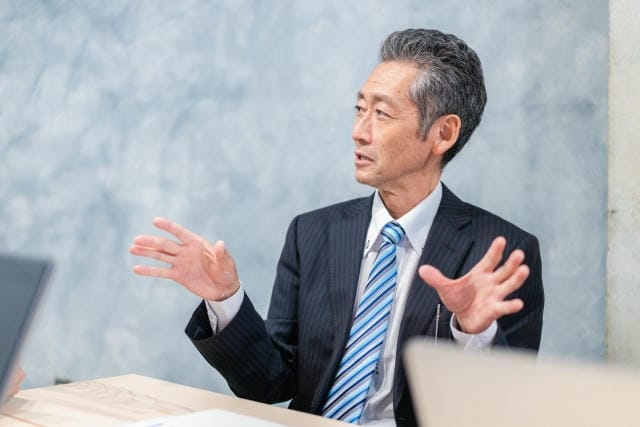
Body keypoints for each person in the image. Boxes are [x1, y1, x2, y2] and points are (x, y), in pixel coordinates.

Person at [130, 29, 544, 426]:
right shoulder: (312, 233)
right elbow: (269, 383)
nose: (359, 132)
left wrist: (474, 332)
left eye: (382, 114)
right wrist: (225, 299)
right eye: (360, 109)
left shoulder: (500, 253)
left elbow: (500, 413)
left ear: (443, 133)